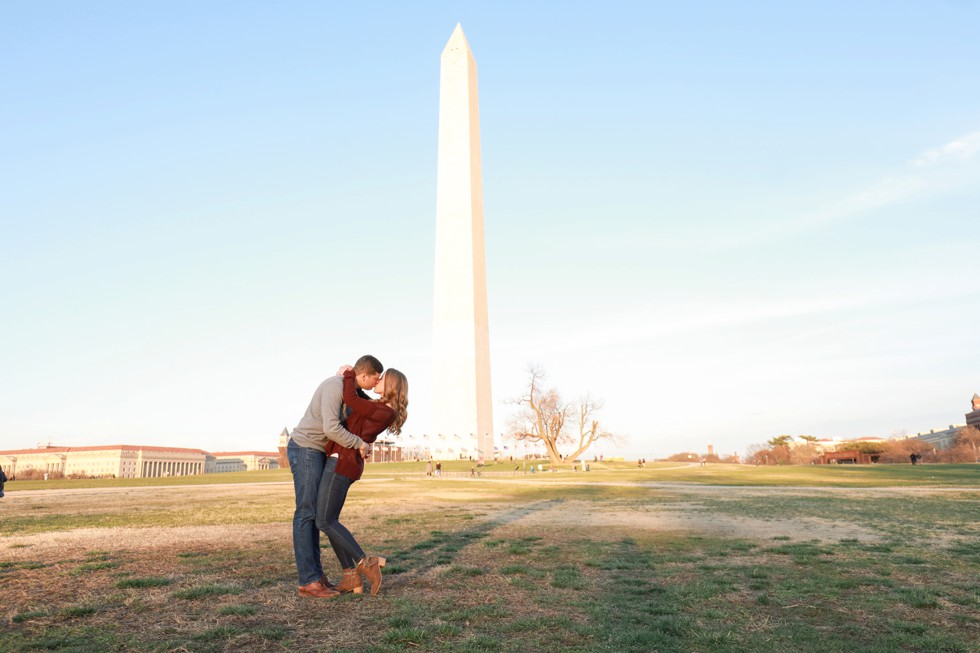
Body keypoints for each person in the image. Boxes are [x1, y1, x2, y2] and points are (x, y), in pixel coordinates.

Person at [287, 355, 377, 599]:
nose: (377, 384)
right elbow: (331, 429)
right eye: (376, 379)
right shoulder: (334, 386)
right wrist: (359, 443)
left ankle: (315, 576)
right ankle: (308, 581)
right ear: (365, 375)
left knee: (315, 515)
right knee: (306, 512)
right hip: (305, 447)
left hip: (316, 451)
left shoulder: (350, 390)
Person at [317, 366, 408, 596]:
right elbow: (357, 397)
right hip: (343, 460)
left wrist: (349, 373)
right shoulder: (379, 407)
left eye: (382, 377)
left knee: (325, 521)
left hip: (342, 462)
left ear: (392, 385)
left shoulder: (384, 412)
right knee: (330, 521)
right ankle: (351, 577)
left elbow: (350, 397)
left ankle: (365, 563)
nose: (377, 379)